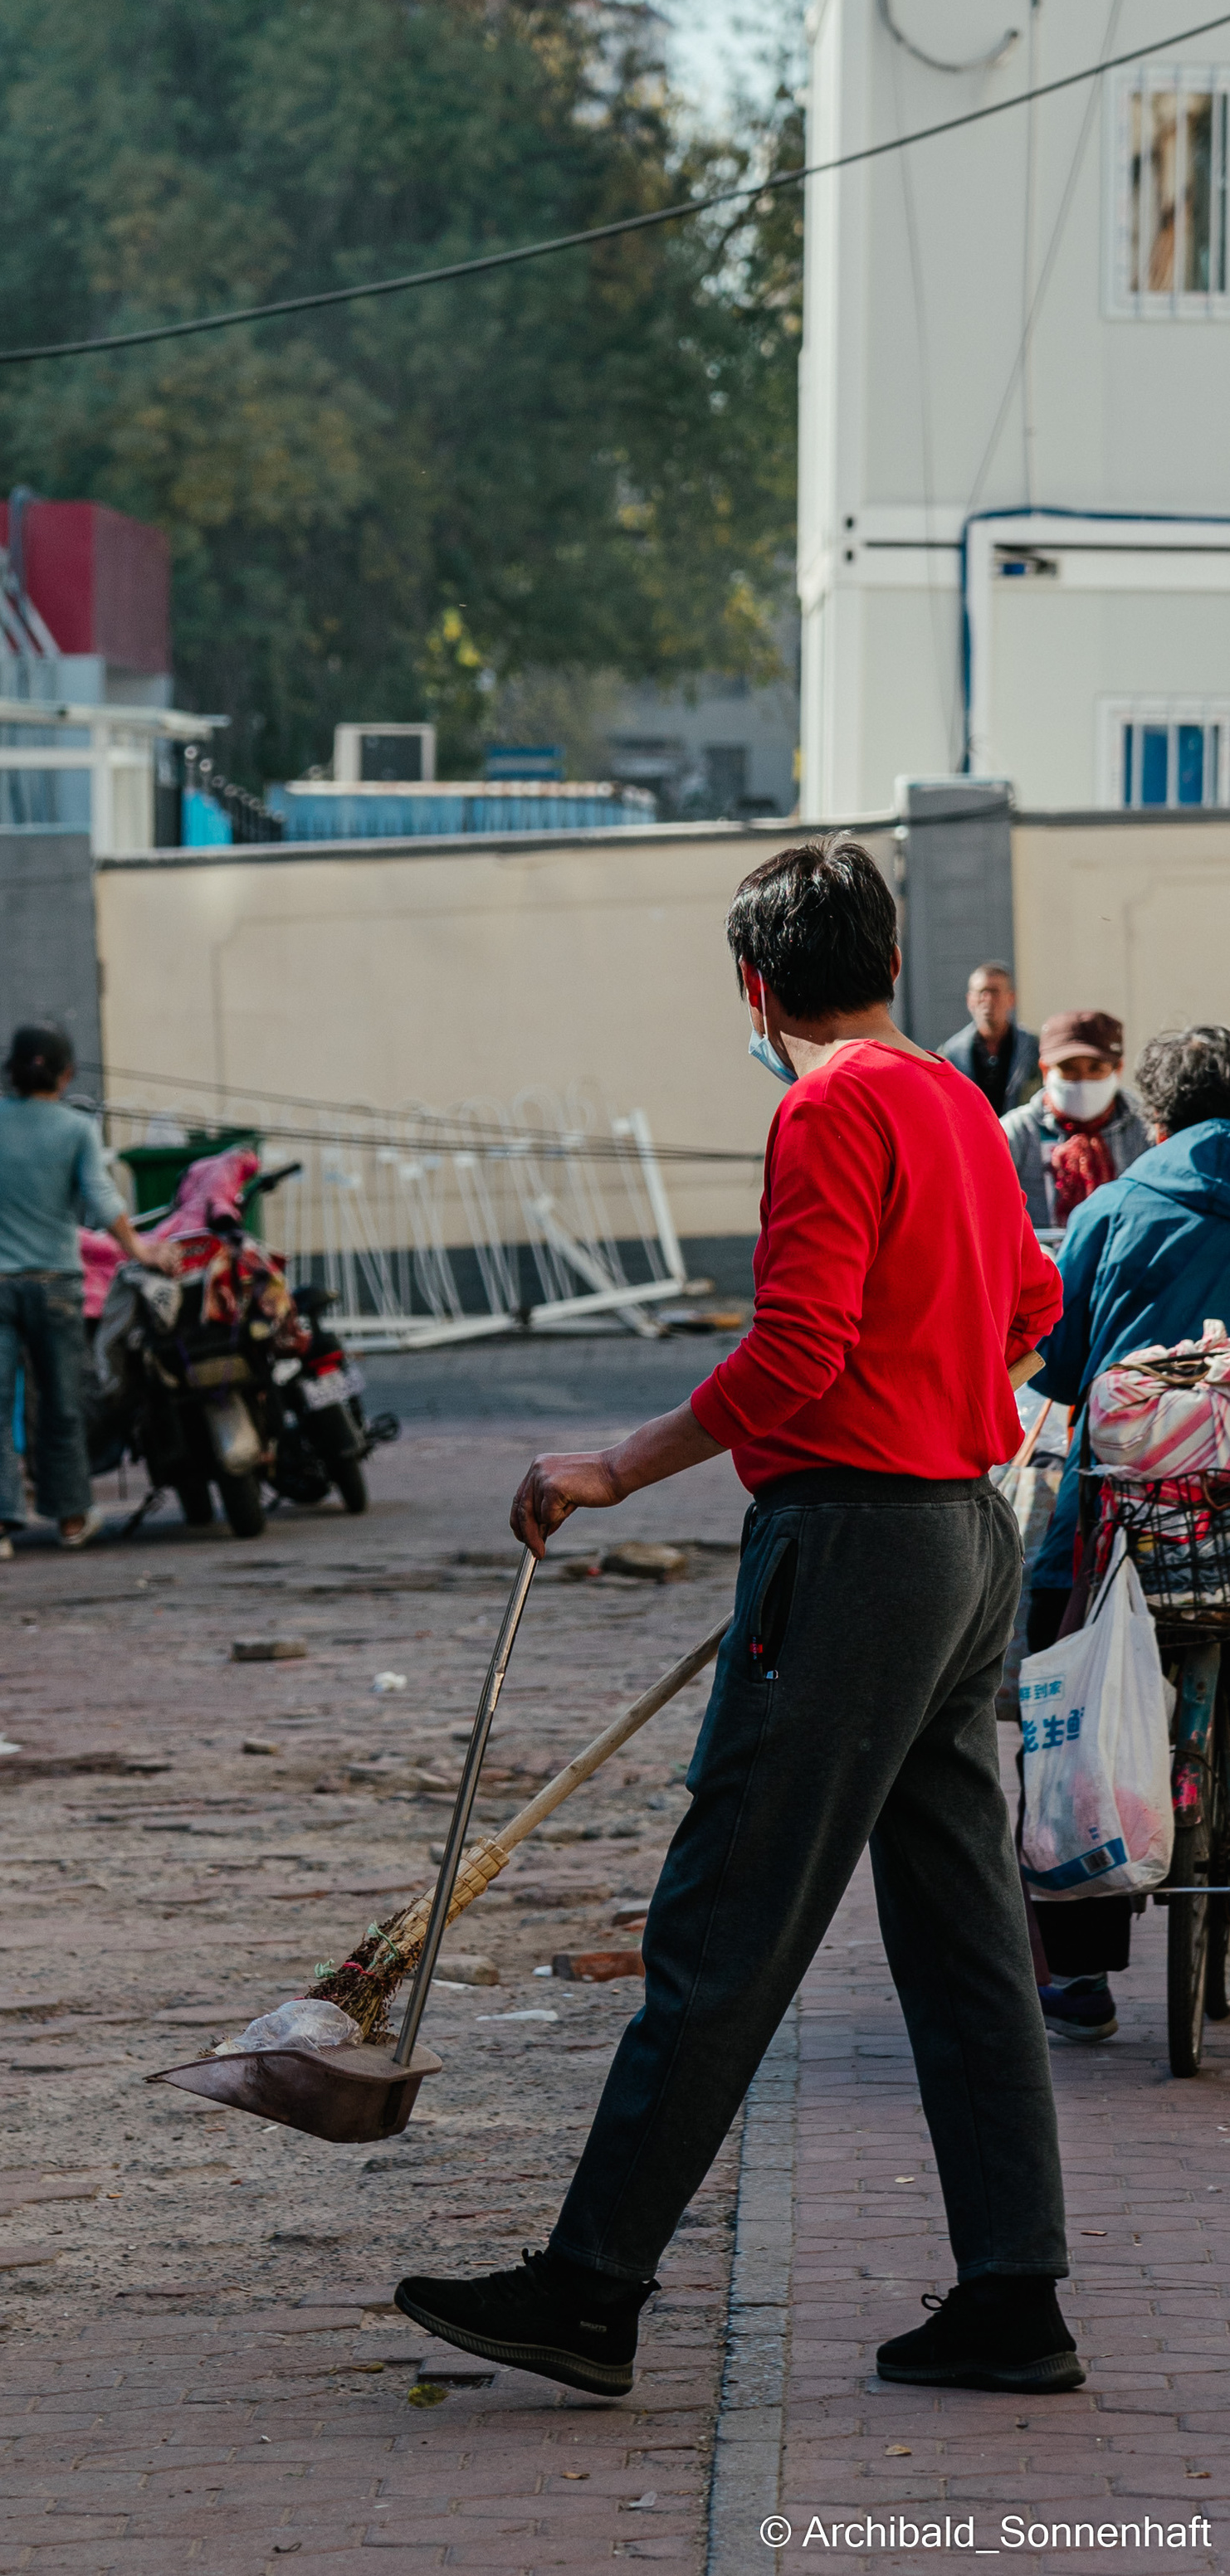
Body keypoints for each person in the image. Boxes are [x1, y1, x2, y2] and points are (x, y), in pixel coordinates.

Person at [394, 835, 1080, 2403]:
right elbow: (1035, 1307)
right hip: (966, 1535)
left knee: (725, 1924)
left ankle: (590, 2287)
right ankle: (1012, 2292)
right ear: (893, 964)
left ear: (758, 985)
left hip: (851, 1543)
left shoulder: (828, 1103)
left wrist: (616, 1464)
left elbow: (798, 1346)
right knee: (969, 1940)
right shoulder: (965, 1105)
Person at [1014, 1024, 1230, 2044]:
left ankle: (1078, 1971)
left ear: (1151, 1116)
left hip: (1124, 1529)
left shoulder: (1111, 1206)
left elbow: (1055, 1369)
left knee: (1066, 1683)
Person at [0, 1023, 156, 1561]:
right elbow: (102, 1199)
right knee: (62, 1402)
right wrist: (139, 1248)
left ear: (11, 1070)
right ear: (66, 1075)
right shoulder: (76, 1129)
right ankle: (70, 1518)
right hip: (55, 1286)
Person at [1002, 1010, 1149, 1235]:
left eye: (1095, 1069)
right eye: (1069, 1068)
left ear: (1117, 1070)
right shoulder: (1015, 1133)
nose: (1082, 1080)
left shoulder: (1145, 1130)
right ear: (1045, 1070)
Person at [941, 959, 1040, 1115]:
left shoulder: (1035, 1050)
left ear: (1011, 999)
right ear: (970, 1000)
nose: (988, 1000)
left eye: (994, 992)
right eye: (981, 993)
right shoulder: (950, 1055)